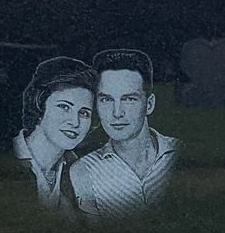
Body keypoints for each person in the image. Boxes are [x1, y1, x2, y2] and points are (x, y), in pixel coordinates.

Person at [69, 48, 180, 223]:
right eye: (106, 99)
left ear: (149, 104)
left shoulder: (177, 153)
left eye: (129, 99)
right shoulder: (83, 171)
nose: (117, 113)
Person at [14, 57, 96, 215]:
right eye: (64, 106)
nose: (75, 122)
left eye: (84, 113)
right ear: (39, 103)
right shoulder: (8, 157)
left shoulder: (81, 170)